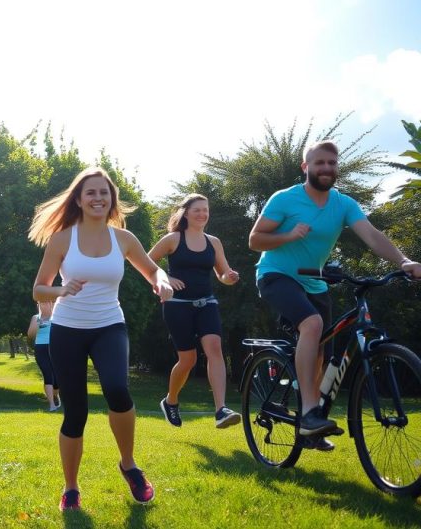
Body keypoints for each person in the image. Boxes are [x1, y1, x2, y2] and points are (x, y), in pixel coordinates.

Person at [249, 140, 421, 450]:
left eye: (332, 163)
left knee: (323, 356)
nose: (326, 168)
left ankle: (309, 426)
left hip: (316, 282)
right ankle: (310, 414)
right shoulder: (286, 199)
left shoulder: (343, 204)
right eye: (319, 163)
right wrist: (288, 235)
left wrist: (404, 261)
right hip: (277, 275)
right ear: (306, 167)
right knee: (312, 325)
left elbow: (371, 236)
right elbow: (255, 240)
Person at [29, 167, 173, 510]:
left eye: (104, 193)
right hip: (67, 331)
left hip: (109, 325)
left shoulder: (123, 239)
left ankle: (129, 465)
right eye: (91, 192)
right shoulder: (63, 239)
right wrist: (61, 288)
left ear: (112, 199)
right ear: (79, 199)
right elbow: (38, 288)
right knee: (75, 411)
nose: (98, 198)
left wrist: (161, 281)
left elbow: (152, 268)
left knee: (117, 388)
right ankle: (71, 488)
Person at [148, 194, 241, 429]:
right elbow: (147, 262)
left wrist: (229, 278)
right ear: (186, 213)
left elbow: (222, 274)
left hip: (206, 303)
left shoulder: (214, 242)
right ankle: (171, 401)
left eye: (205, 210)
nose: (202, 214)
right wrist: (166, 278)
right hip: (177, 306)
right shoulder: (173, 239)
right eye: (197, 210)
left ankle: (221, 409)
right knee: (187, 360)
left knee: (215, 349)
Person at [26, 301, 60, 411]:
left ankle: (55, 396)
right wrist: (39, 321)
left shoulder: (57, 317)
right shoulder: (36, 317)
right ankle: (51, 405)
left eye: (47, 303)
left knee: (56, 378)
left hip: (55, 348)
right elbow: (30, 335)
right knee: (47, 374)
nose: (44, 305)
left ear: (52, 304)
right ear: (38, 305)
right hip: (41, 348)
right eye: (42, 303)